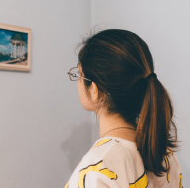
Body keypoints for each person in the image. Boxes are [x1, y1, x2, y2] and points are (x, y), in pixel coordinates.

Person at [65, 29, 182, 188]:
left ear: (94, 89)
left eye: (79, 74)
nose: (78, 81)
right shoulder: (166, 157)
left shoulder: (97, 167)